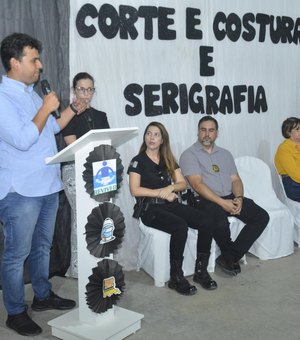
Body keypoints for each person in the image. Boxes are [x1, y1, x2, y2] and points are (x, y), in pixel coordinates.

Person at [0, 32, 86, 337]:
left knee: (43, 247)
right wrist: (45, 106)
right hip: (20, 190)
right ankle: (14, 311)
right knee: (16, 254)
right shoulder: (3, 97)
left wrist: (73, 108)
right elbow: (23, 139)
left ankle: (42, 295)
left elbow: (52, 128)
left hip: (48, 184)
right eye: (33, 59)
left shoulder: (31, 92)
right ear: (14, 62)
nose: (40, 65)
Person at [128, 121, 218, 296]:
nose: (151, 138)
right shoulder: (137, 161)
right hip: (150, 210)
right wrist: (161, 192)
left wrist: (170, 188)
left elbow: (182, 183)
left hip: (170, 204)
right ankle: (176, 277)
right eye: (148, 133)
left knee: (206, 220)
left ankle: (201, 271)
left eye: (156, 135)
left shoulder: (168, 158)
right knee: (179, 226)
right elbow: (135, 190)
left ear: (162, 140)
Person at [179, 116, 269, 276]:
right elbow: (197, 185)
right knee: (219, 220)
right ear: (198, 132)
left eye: (211, 130)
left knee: (261, 216)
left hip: (229, 196)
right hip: (203, 200)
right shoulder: (189, 154)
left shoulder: (225, 154)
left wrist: (239, 198)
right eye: (203, 130)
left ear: (217, 133)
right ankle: (229, 255)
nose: (207, 134)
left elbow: (235, 179)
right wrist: (222, 203)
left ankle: (230, 256)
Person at [61, 72, 110, 278]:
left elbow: (107, 143)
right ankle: (78, 269)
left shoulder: (101, 115)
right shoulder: (67, 115)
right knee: (80, 217)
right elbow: (71, 145)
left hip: (99, 171)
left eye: (89, 89)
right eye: (81, 89)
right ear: (74, 90)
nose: (85, 94)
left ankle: (99, 264)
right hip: (75, 170)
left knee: (100, 217)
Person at [274, 117, 300, 202]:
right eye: (297, 129)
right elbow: (296, 174)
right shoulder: (283, 149)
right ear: (288, 132)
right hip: (294, 184)